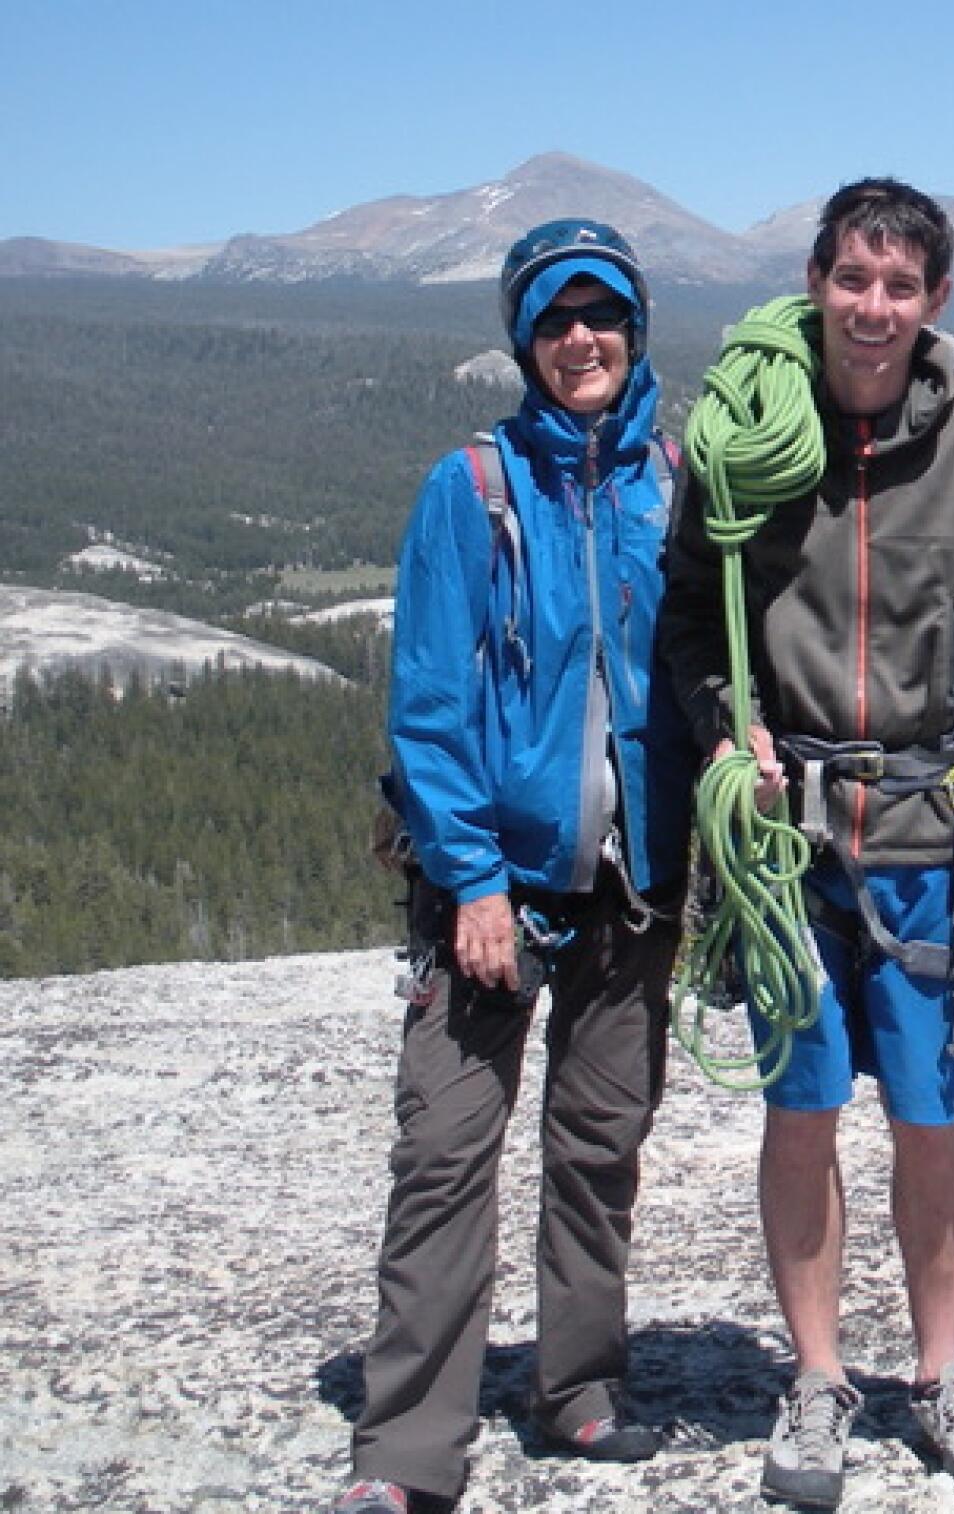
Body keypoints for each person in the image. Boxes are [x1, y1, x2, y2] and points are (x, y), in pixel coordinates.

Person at [660, 178, 954, 1507]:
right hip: (785, 842)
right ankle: (820, 1376)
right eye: (855, 281)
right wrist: (731, 729)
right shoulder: (742, 425)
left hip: (926, 829)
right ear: (817, 280)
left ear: (935, 302)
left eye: (902, 287)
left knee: (929, 1116)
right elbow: (686, 618)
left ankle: (943, 1372)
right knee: (798, 1114)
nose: (875, 308)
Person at [335, 219, 694, 1514]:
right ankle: (408, 1449)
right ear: (523, 339)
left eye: (601, 313)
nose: (580, 338)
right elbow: (430, 709)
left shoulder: (674, 474)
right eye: (554, 319)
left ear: (635, 328)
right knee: (445, 1157)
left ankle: (579, 1387)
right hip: (492, 895)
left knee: (600, 1148)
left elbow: (702, 673)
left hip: (632, 886)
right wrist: (472, 878)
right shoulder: (473, 488)